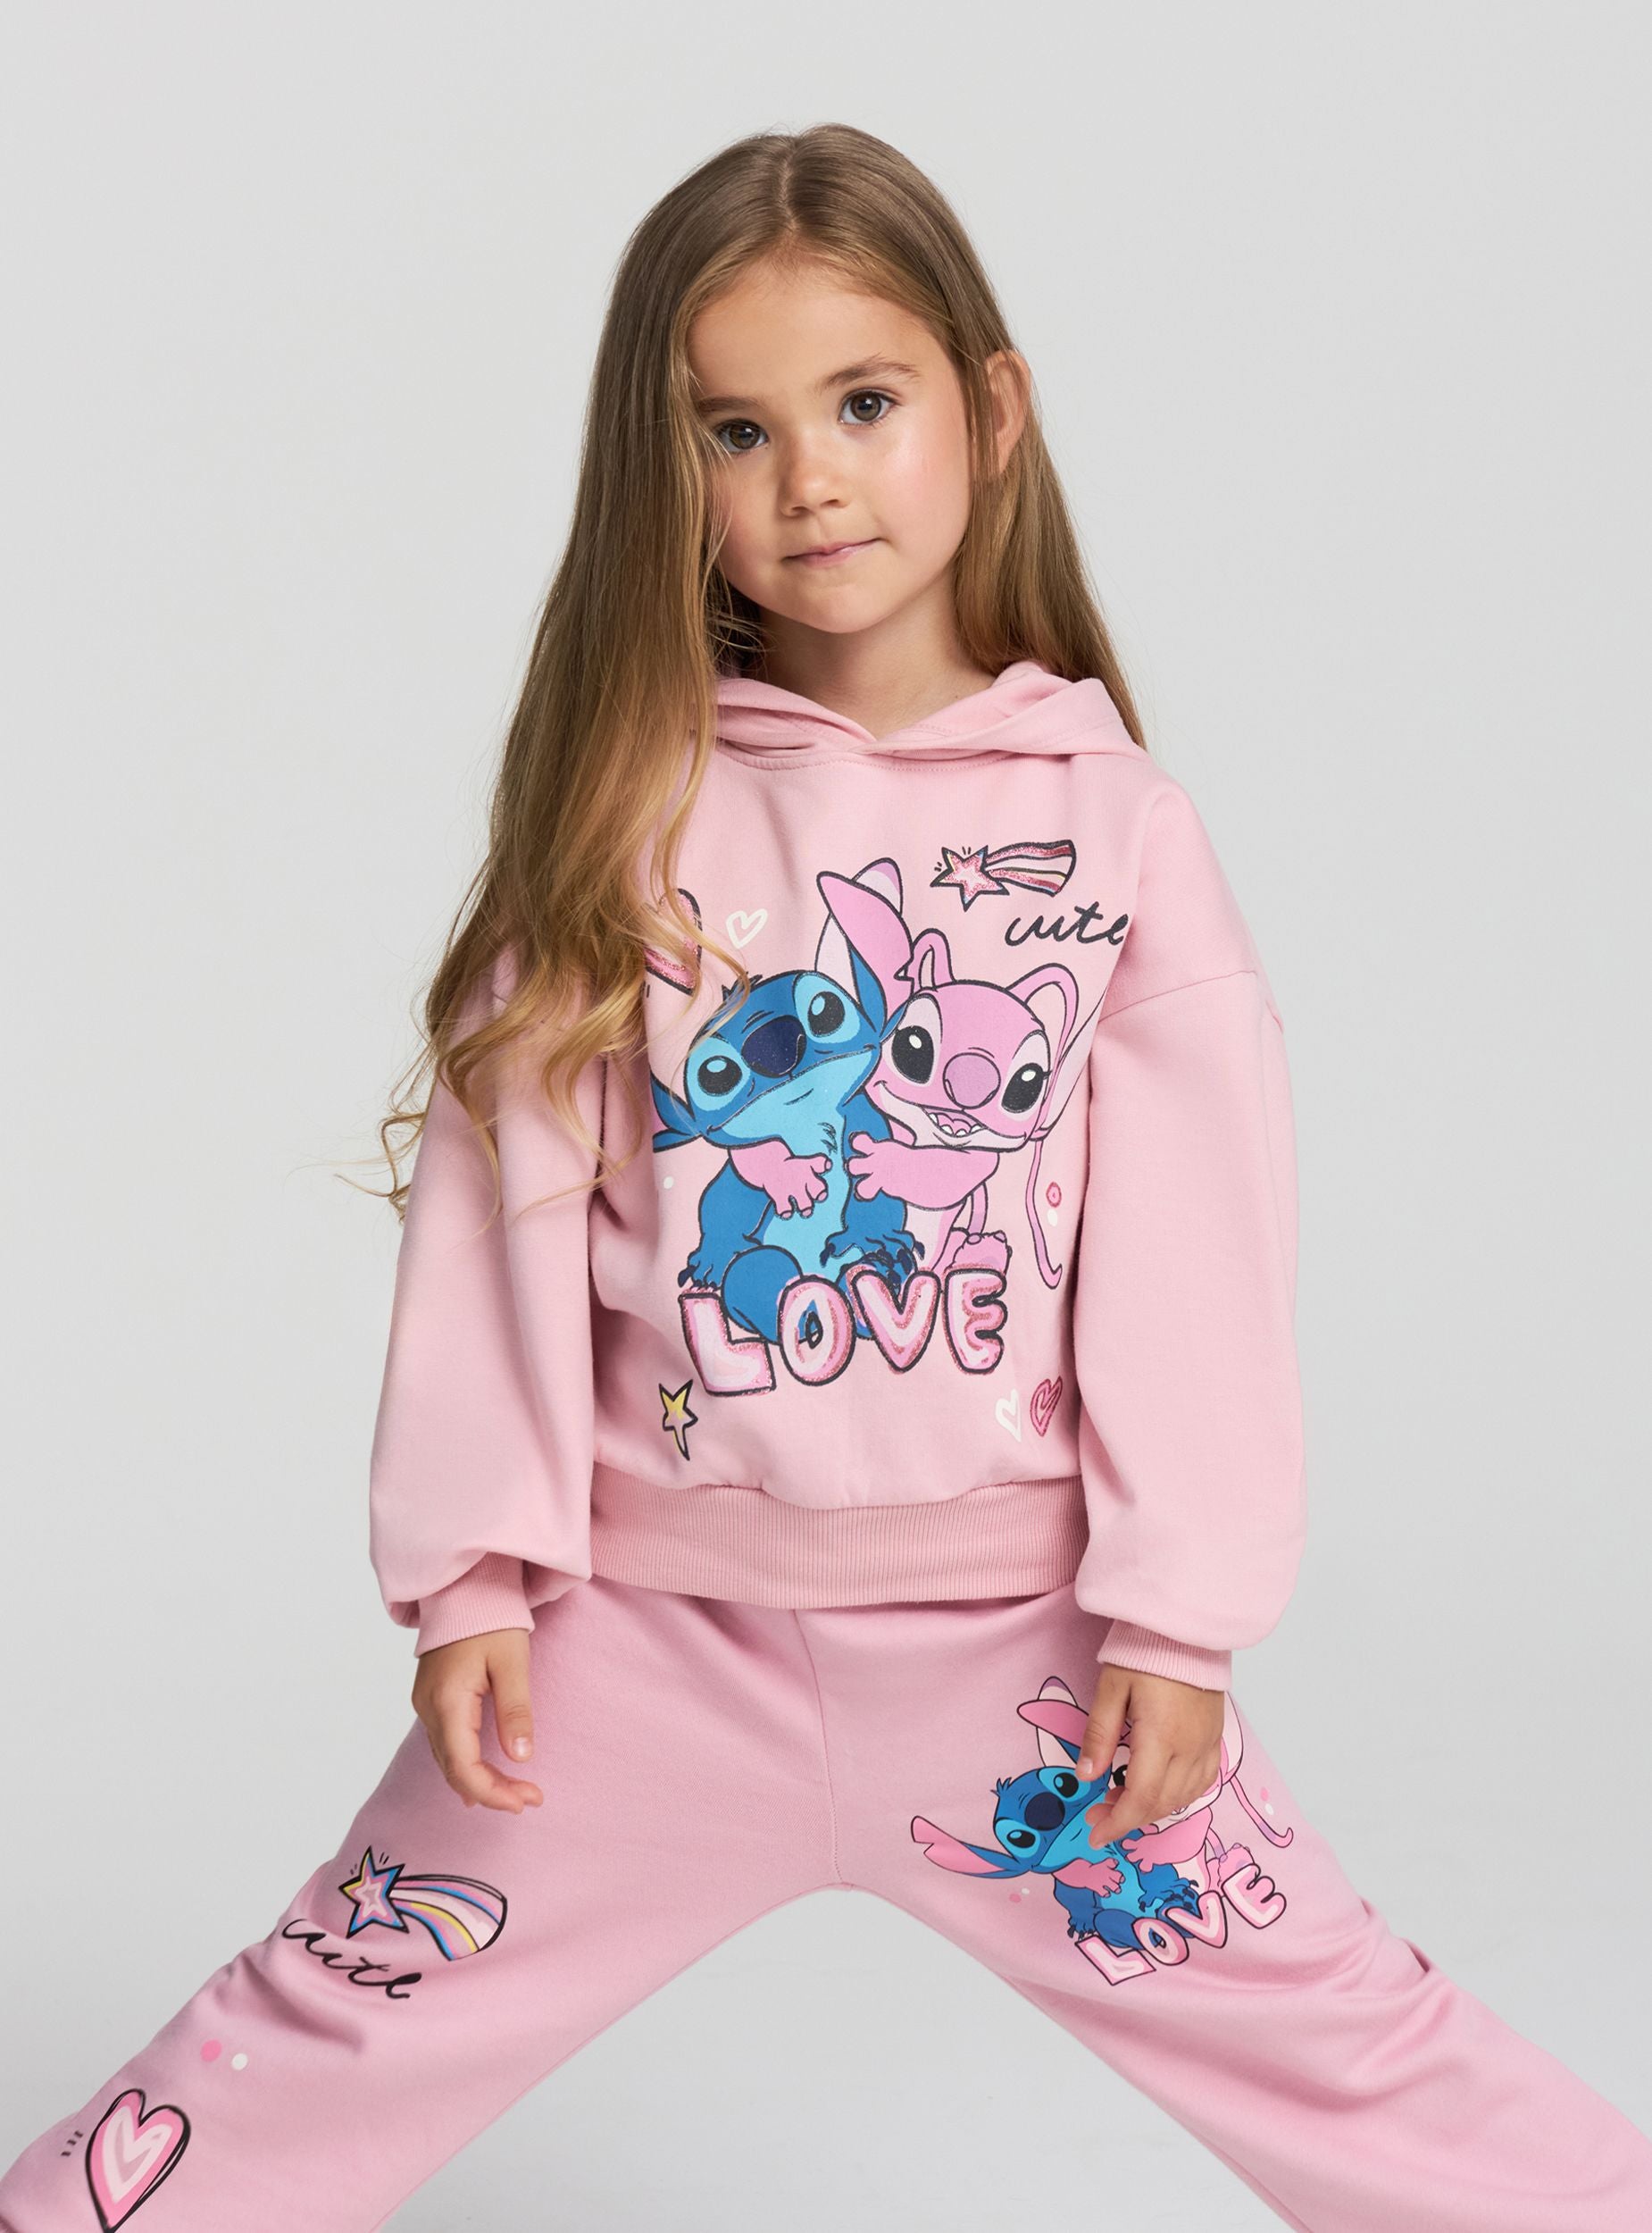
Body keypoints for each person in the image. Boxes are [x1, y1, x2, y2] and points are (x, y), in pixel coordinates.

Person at [3, 121, 1647, 2233]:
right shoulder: (627, 817)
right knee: (319, 2032)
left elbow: (1198, 1255)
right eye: (736, 429)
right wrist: (475, 1571)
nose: (811, 479)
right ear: (665, 471)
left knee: (1363, 2058)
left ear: (991, 408)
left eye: (864, 402)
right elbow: (506, 1199)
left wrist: (1179, 1613)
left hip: (1040, 1677)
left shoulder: (1118, 832)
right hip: (627, 1660)